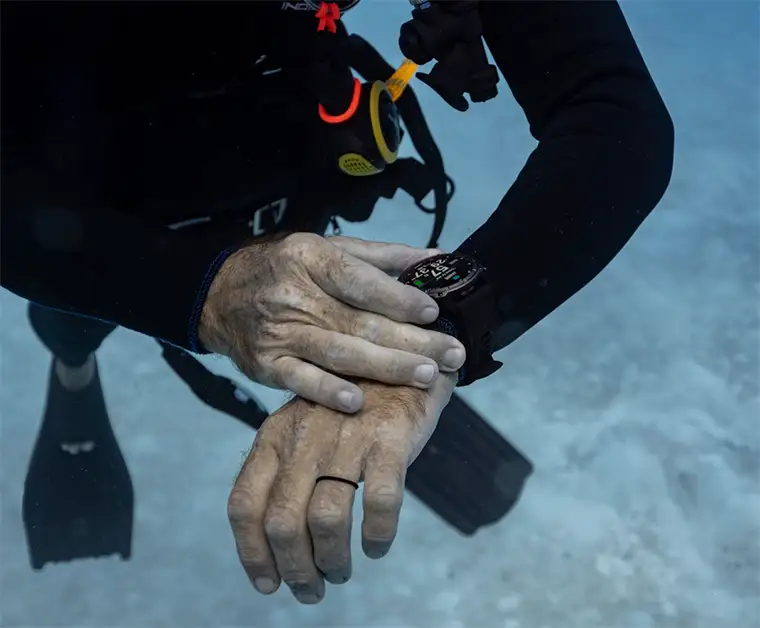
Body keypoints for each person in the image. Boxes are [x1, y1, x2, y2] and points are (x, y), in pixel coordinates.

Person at [1, 0, 673, 605]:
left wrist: (439, 322)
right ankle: (73, 367)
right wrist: (200, 291)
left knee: (295, 259)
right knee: (76, 316)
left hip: (281, 139)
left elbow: (614, 114)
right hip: (82, 191)